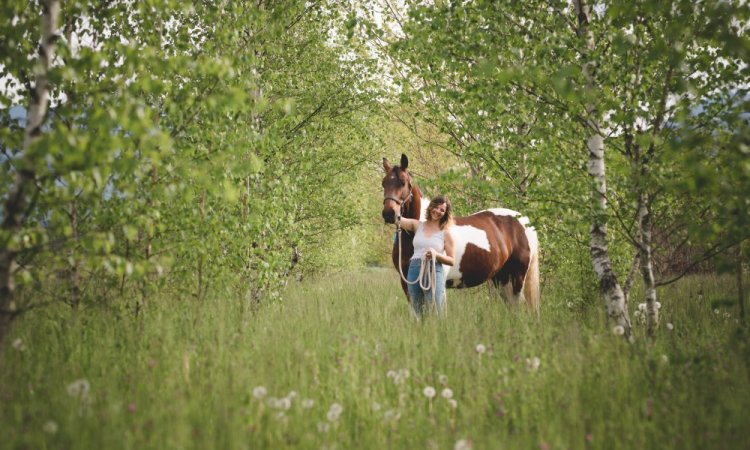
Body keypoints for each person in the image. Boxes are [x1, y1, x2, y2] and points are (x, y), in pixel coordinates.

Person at [397, 195, 455, 318]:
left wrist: (436, 255)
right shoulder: (417, 225)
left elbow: (451, 260)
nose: (438, 211)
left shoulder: (445, 233)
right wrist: (394, 201)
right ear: (430, 207)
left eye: (442, 210)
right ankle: (421, 335)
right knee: (416, 310)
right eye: (436, 207)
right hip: (414, 269)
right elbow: (397, 219)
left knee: (436, 310)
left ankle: (437, 334)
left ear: (445, 214)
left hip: (434, 269)